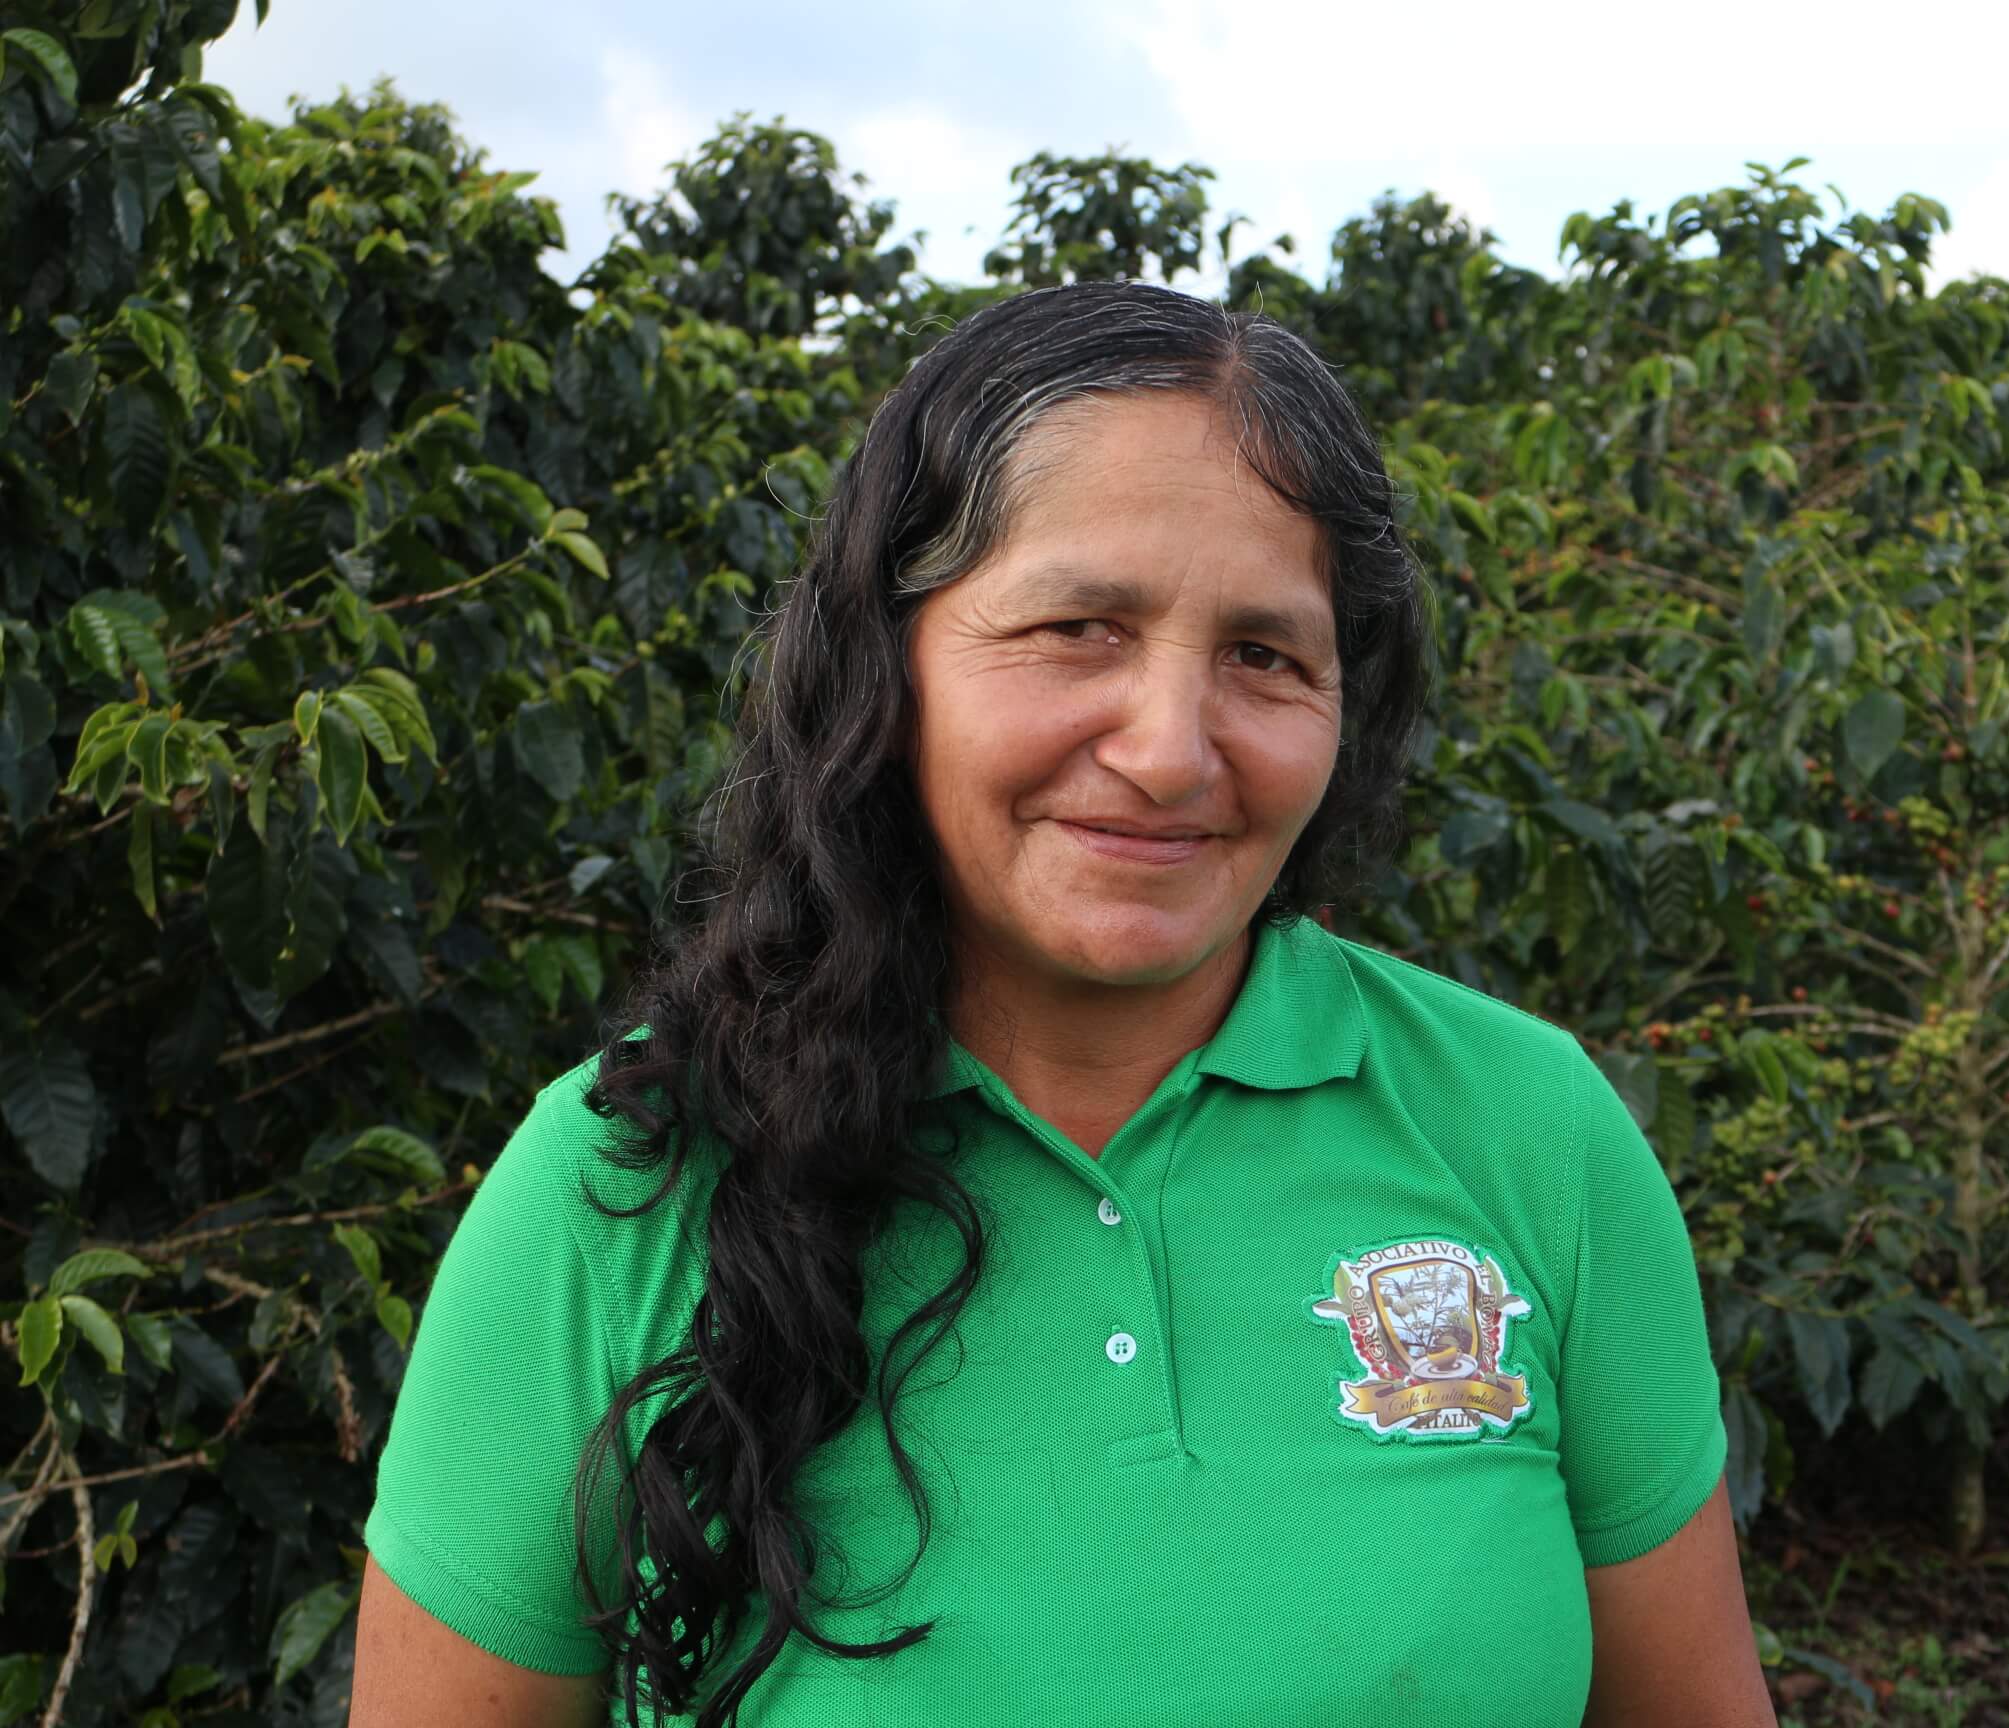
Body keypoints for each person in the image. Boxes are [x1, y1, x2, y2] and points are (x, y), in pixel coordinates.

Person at [350, 280, 1779, 1726]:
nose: (1170, 752)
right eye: (1079, 627)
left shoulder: (1531, 1132)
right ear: (886, 662)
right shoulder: (617, 1187)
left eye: (1265, 656)